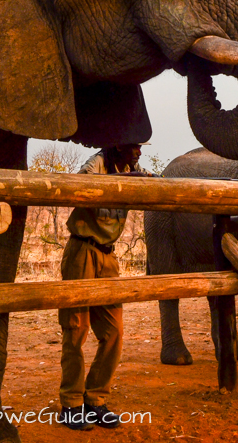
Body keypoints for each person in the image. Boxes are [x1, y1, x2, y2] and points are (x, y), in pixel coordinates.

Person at [58, 143, 158, 430]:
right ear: (117, 146)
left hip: (108, 256)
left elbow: (154, 181)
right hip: (82, 251)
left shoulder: (133, 168)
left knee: (114, 331)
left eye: (141, 147)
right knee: (76, 328)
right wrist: (132, 181)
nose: (138, 152)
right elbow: (82, 184)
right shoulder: (96, 164)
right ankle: (71, 403)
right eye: (134, 147)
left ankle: (95, 399)